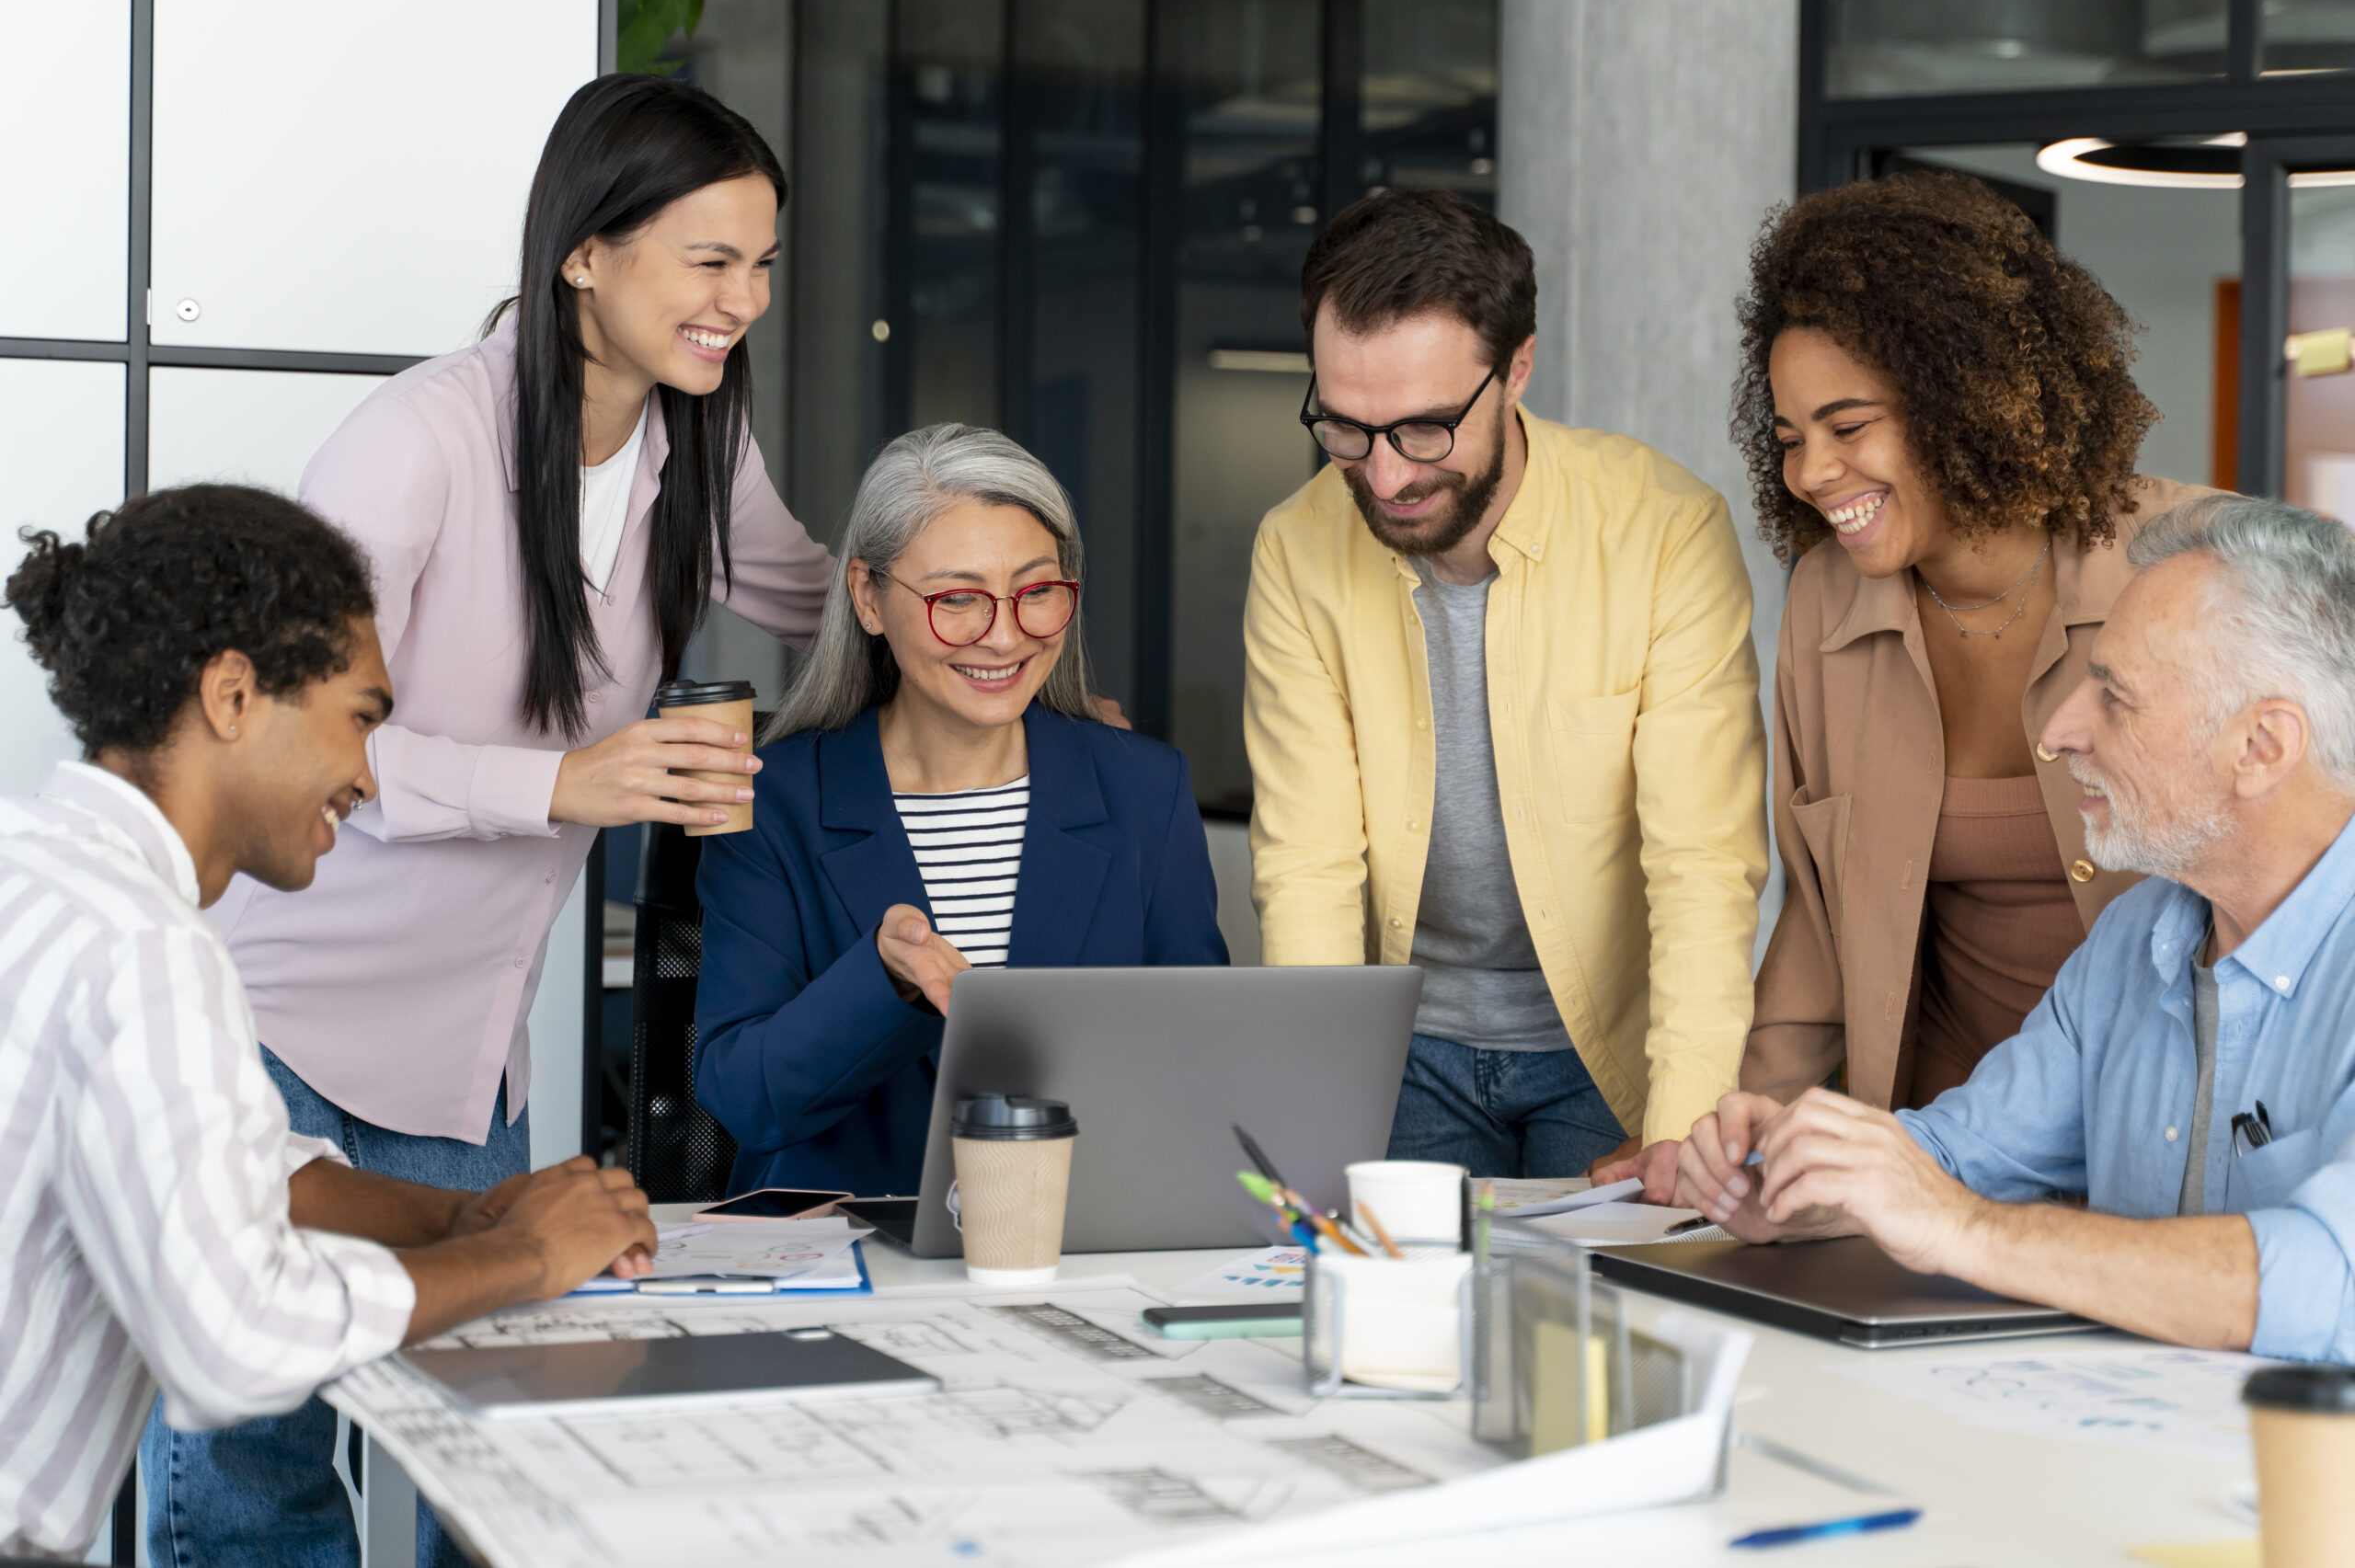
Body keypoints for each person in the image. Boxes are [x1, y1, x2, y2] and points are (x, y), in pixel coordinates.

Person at [157, 76, 833, 1566]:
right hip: (269, 1022)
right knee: (255, 1475)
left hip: (464, 1054)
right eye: (709, 260)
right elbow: (293, 742)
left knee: (490, 1457)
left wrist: (981, 616)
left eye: (763, 264)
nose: (743, 301)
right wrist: (564, 783)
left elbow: (820, 595)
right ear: (585, 251)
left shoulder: (697, 450)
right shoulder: (418, 439)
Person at [0, 487, 658, 1560]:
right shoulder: (145, 949)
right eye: (359, 717)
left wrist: (467, 1217)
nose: (365, 773)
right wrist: (526, 1257)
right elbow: (234, 1337)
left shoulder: (35, 865)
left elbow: (241, 1172)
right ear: (232, 695)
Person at [1605, 172, 2215, 1203]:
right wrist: (1723, 1139)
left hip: (2157, 1148)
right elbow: (1819, 921)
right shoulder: (1824, 600)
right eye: (1791, 439)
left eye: (1847, 427)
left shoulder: (2194, 571)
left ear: (1964, 398)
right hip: (1934, 1151)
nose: (1811, 472)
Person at [1678, 495, 2355, 1361]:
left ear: (2261, 747)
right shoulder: (2136, 938)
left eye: (2115, 698)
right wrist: (1793, 1176)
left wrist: (1961, 1226)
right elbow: (1958, 1155)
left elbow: (2334, 1281)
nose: (2060, 731)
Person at [1245, 187, 1767, 1181]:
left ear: (1516, 369)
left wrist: (1683, 1120)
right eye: (1346, 428)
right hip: (1405, 1053)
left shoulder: (1665, 532)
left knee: (1593, 1284)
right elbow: (1308, 866)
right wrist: (1318, 1112)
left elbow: (1702, 862)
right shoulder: (1297, 547)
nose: (1385, 477)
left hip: (1608, 1055)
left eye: (1424, 430)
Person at [694, 425, 1227, 1196]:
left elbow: (1200, 1063)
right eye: (959, 599)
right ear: (868, 598)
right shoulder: (773, 799)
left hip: (1077, 1231)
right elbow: (744, 1096)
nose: (1004, 637)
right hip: (846, 1237)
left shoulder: (1146, 790)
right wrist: (883, 982)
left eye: (1036, 592)